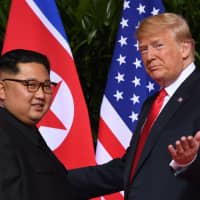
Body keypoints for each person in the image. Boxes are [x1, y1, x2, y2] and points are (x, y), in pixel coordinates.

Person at [66, 13, 200, 199]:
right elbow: (129, 168)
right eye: (143, 49)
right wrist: (57, 182)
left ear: (185, 48)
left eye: (157, 45)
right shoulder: (152, 103)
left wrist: (190, 162)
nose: (149, 56)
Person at [0, 49, 84, 200]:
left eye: (46, 86)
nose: (41, 95)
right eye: (30, 85)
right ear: (2, 90)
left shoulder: (25, 131)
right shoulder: (4, 136)